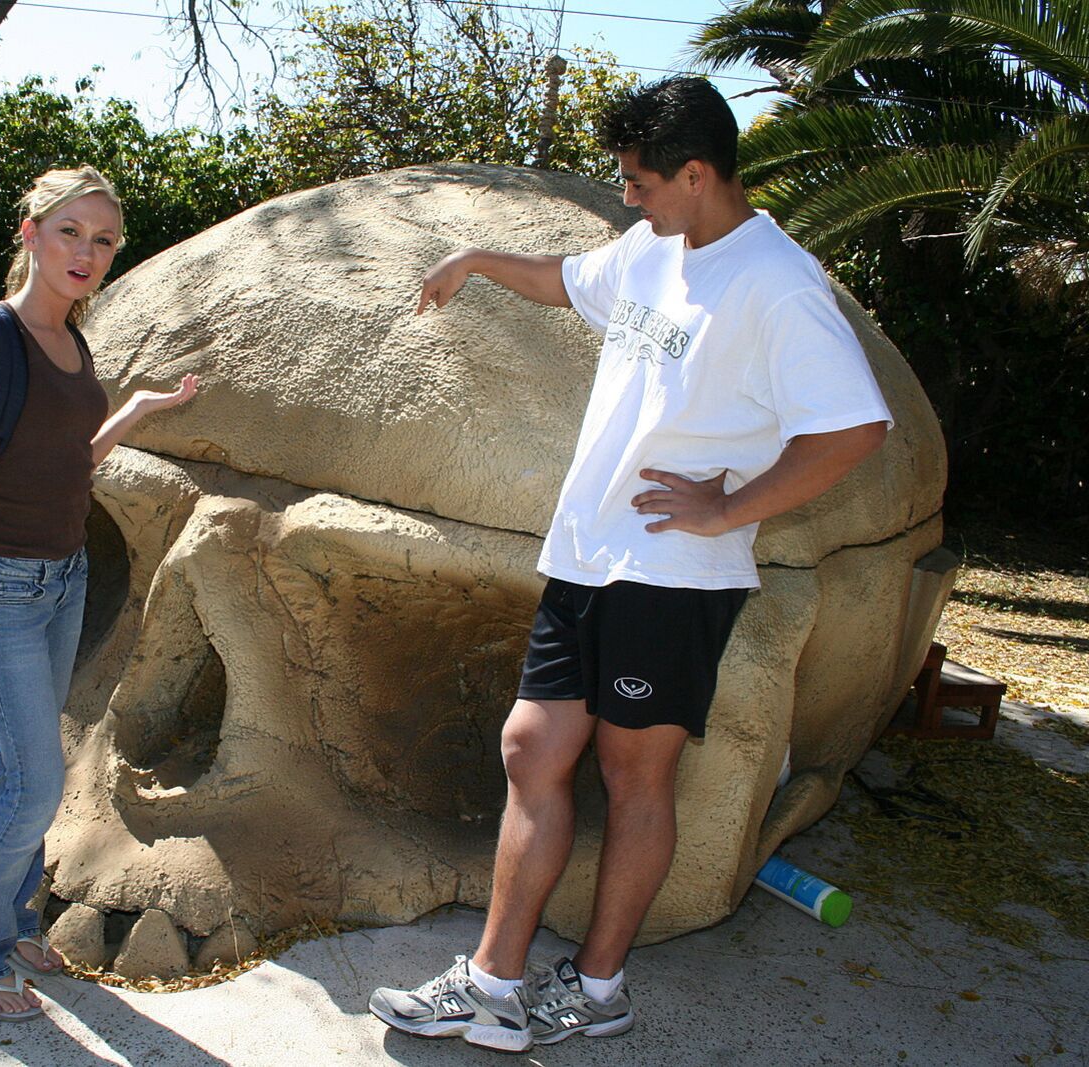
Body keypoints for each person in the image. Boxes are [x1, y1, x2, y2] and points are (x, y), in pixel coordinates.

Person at [368, 76, 893, 1052]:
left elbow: (854, 425)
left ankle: (599, 985)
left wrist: (731, 507)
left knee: (633, 774)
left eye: (639, 180)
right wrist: (477, 259)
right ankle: (491, 982)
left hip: (676, 576)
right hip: (588, 553)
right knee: (531, 747)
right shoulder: (653, 249)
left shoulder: (777, 282)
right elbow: (568, 280)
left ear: (696, 174)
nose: (628, 198)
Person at [0, 165, 198, 1022]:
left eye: (103, 240)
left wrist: (133, 410)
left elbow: (69, 461)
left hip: (63, 580)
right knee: (32, 783)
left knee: (41, 767)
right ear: (30, 233)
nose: (88, 252)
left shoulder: (76, 342)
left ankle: (12, 914)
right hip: (0, 587)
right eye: (71, 231)